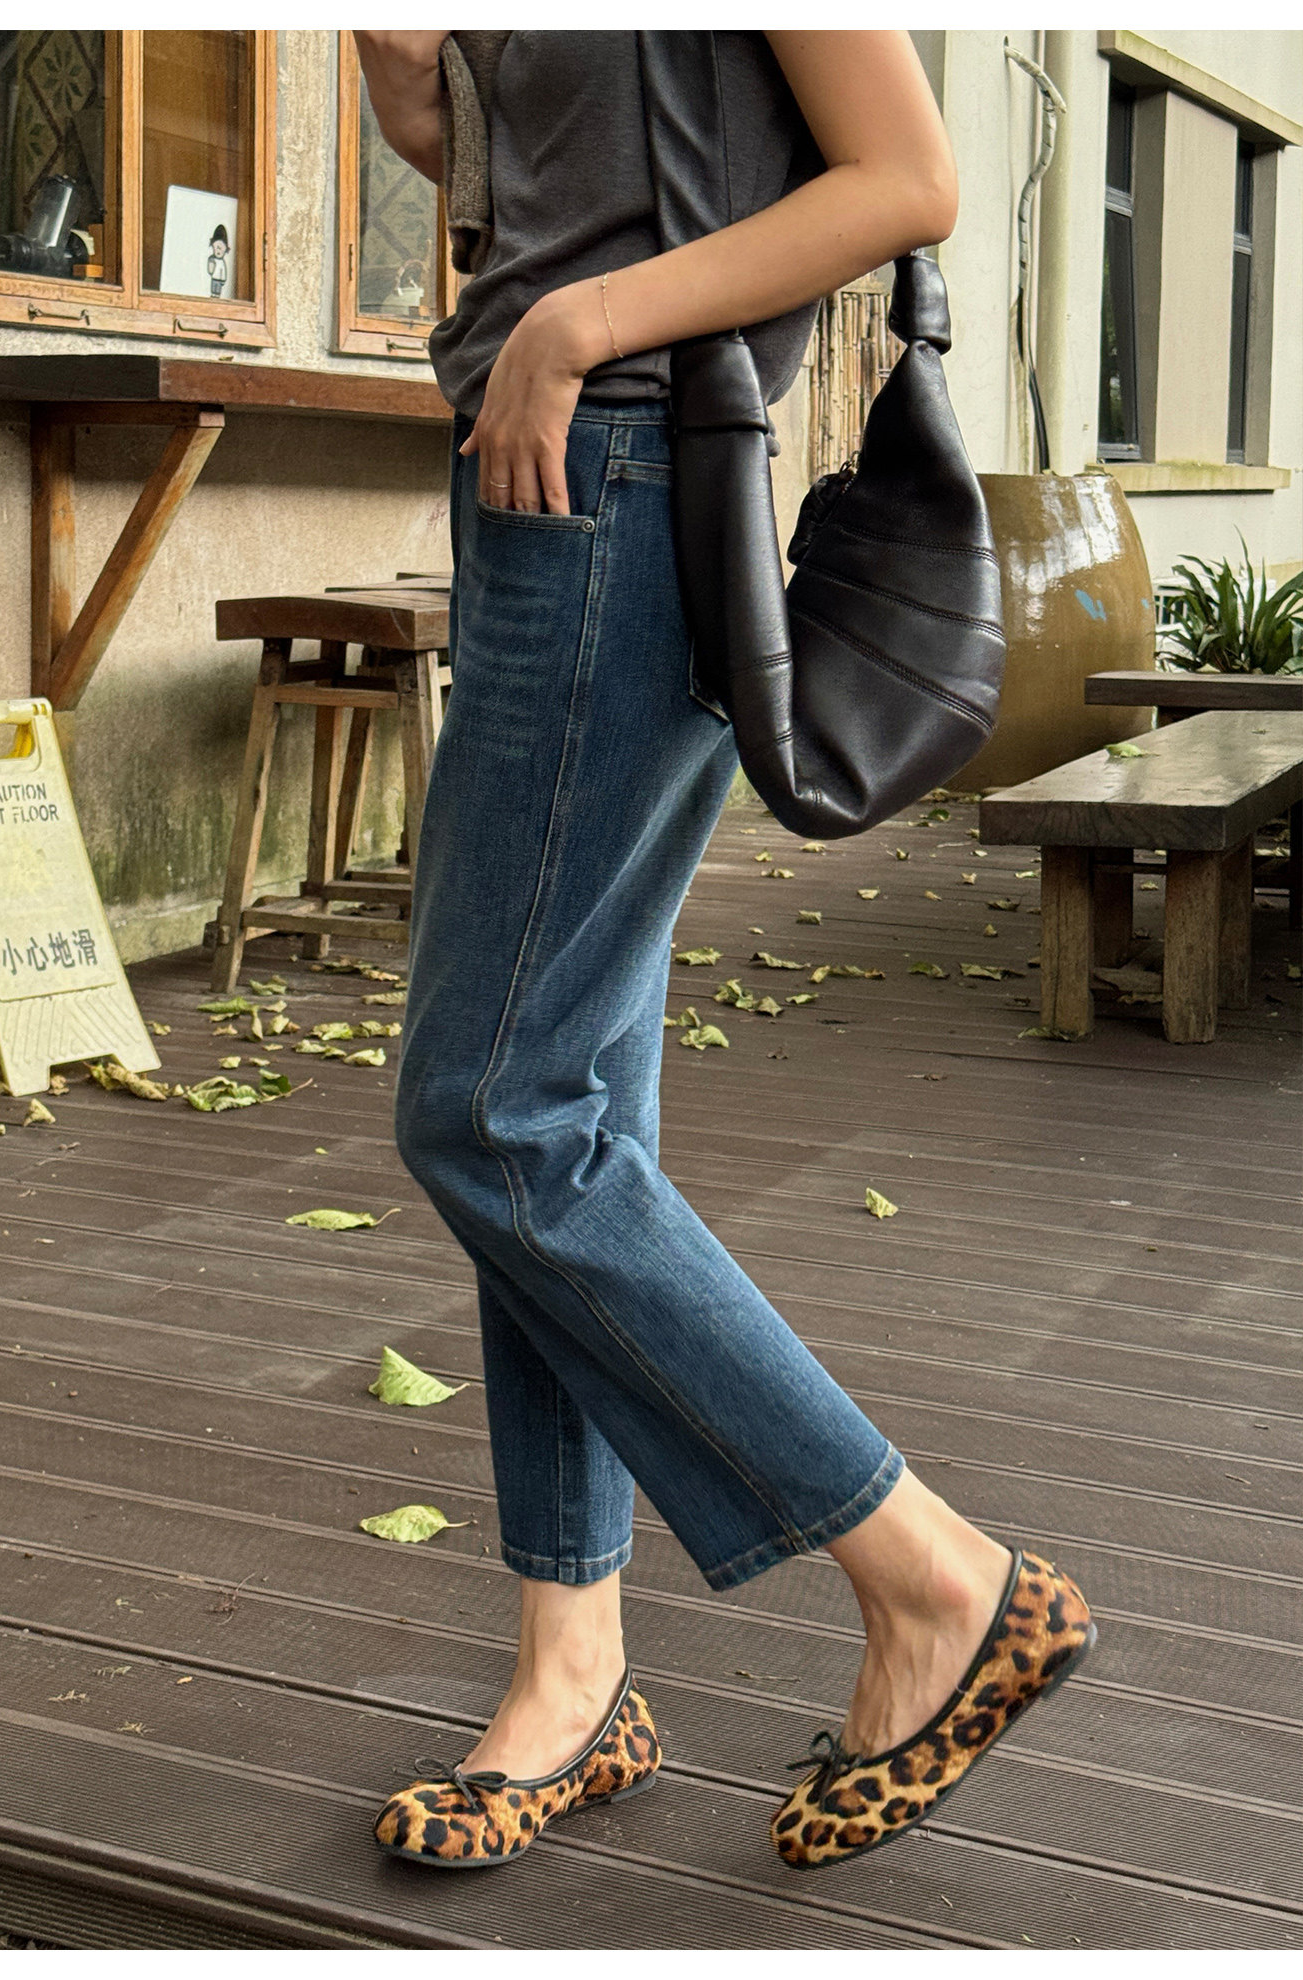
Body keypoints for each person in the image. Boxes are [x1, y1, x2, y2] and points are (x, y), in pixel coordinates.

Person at [354, 27, 1094, 1874]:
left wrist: (575, 326)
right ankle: (574, 1669)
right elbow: (589, 176)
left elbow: (904, 179)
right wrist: (421, 96)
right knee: (569, 1097)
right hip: (542, 463)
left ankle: (938, 1581)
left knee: (491, 1109)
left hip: (625, 461)